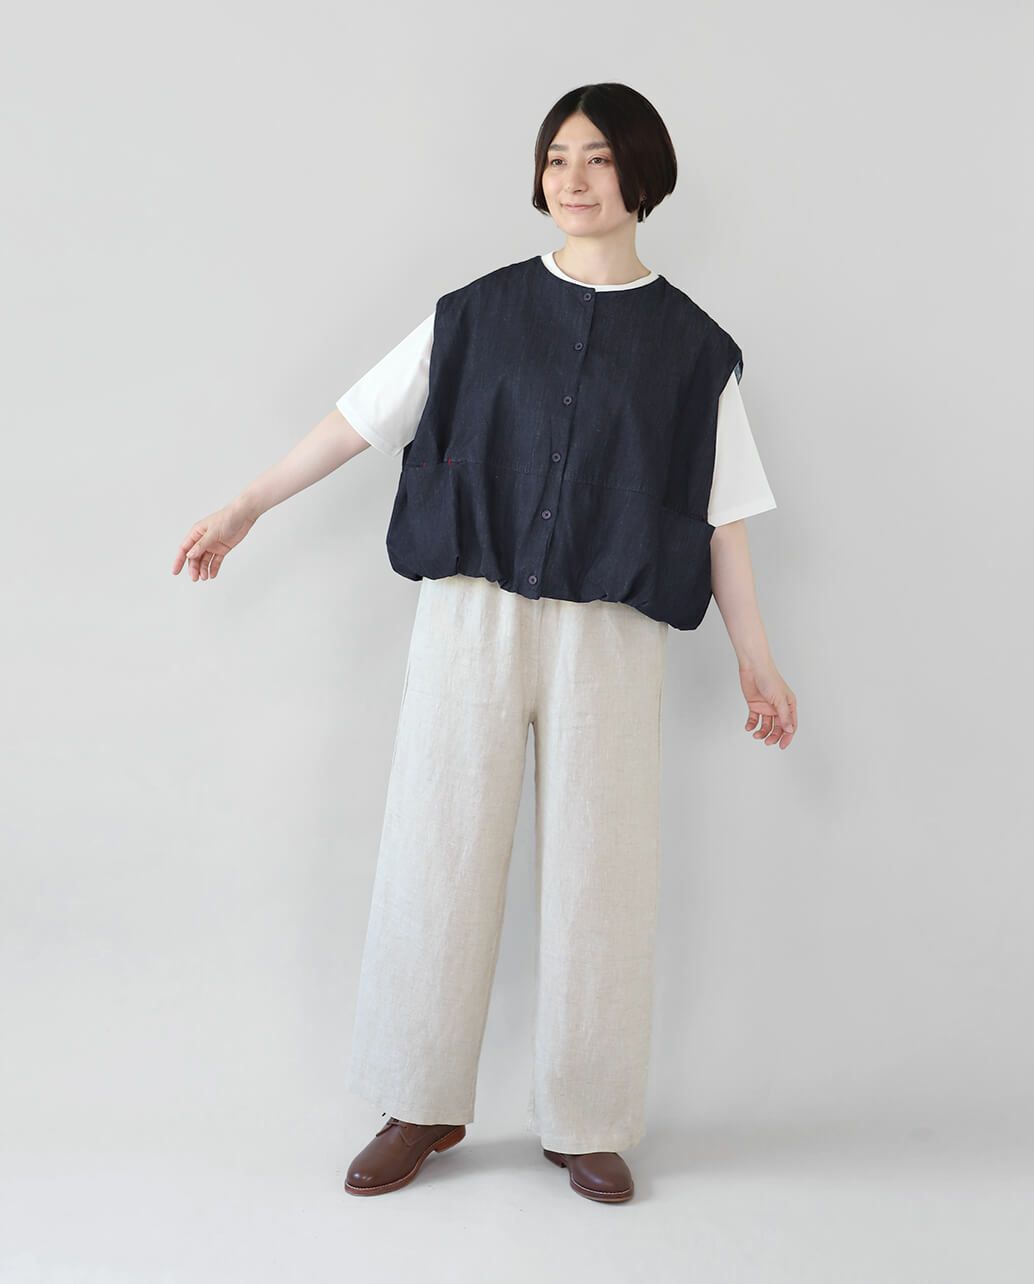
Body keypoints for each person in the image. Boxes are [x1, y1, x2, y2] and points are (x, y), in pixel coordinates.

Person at [172, 82, 797, 1205]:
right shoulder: (476, 313)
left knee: (604, 866)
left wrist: (757, 659)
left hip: (610, 631)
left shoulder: (695, 351)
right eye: (556, 157)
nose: (572, 178)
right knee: (437, 844)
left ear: (642, 173)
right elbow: (361, 417)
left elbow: (724, 515)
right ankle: (419, 1101)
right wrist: (247, 504)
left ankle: (588, 1117)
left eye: (596, 157)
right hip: (470, 615)